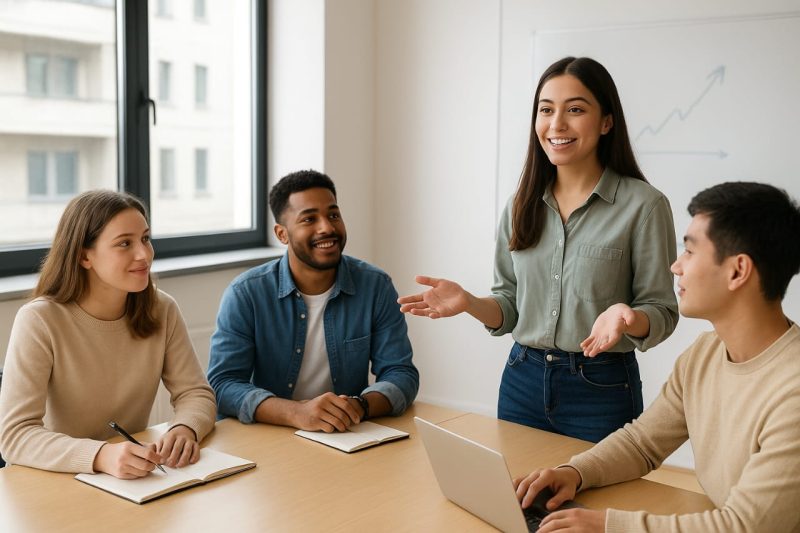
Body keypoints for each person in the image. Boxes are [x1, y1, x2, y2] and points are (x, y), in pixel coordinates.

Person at [398, 56, 678, 442]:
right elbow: (509, 305)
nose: (556, 124)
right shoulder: (520, 205)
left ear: (606, 122)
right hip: (522, 379)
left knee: (597, 484)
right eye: (546, 110)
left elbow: (662, 310)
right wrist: (469, 303)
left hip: (601, 387)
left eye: (575, 110)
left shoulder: (644, 206)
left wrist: (628, 317)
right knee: (517, 483)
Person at [515, 182, 800, 532]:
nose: (676, 266)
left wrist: (608, 526)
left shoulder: (793, 393)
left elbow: (743, 527)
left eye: (690, 251)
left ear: (738, 271)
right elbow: (642, 443)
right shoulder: (705, 353)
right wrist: (575, 472)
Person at [0, 190, 217, 479]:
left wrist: (185, 427)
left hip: (130, 481)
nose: (144, 254)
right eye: (124, 243)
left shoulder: (161, 309)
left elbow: (195, 393)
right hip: (51, 481)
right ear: (84, 256)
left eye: (145, 239)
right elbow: (15, 436)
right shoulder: (39, 319)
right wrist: (100, 455)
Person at [207, 170, 418, 432]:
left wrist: (359, 406)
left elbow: (401, 373)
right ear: (282, 234)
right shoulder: (246, 293)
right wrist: (296, 413)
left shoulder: (375, 286)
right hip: (269, 434)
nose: (327, 228)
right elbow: (222, 384)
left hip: (344, 434)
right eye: (309, 219)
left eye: (333, 215)